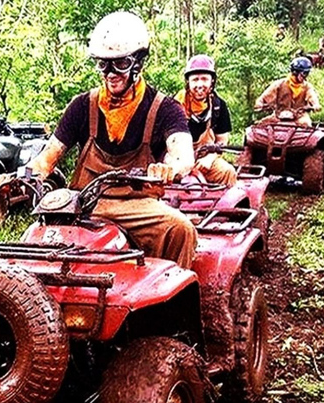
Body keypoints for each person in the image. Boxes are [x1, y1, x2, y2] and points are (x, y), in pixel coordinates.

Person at [27, 11, 197, 269]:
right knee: (30, 244)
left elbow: (183, 153)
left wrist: (170, 168)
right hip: (82, 203)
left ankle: (171, 304)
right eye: (103, 64)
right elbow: (48, 157)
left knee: (180, 229)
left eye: (120, 64)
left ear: (138, 63)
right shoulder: (82, 105)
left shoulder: (164, 108)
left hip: (136, 207)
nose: (110, 73)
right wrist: (25, 175)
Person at [174, 55, 237, 186]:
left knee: (228, 171)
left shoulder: (218, 106)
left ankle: (224, 206)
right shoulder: (174, 106)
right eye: (195, 80)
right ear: (188, 82)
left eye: (204, 79)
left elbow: (222, 141)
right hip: (176, 159)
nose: (199, 84)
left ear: (212, 82)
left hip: (205, 159)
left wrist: (211, 157)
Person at [254, 56, 321, 127]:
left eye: (307, 74)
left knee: (306, 125)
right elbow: (265, 96)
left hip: (299, 117)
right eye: (304, 74)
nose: (305, 76)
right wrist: (259, 103)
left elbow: (312, 97)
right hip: (279, 116)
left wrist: (315, 105)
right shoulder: (279, 84)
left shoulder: (307, 86)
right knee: (261, 125)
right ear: (295, 72)